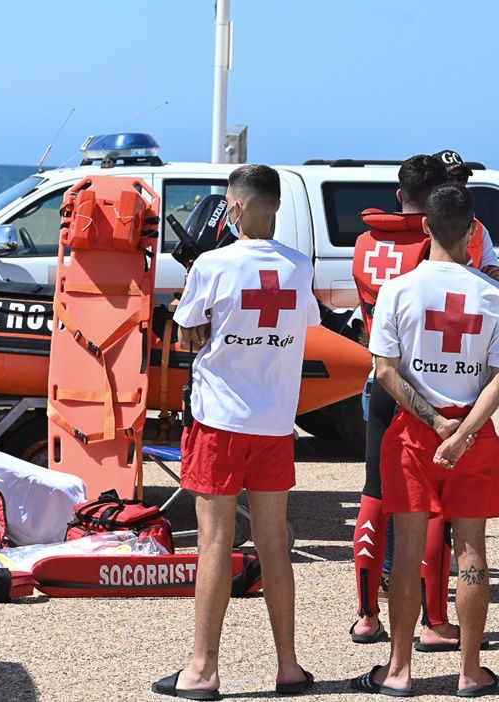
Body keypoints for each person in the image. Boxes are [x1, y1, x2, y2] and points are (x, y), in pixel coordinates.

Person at [154, 164, 317, 698]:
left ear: (238, 207)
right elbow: (300, 325)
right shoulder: (299, 268)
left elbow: (188, 333)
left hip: (221, 419)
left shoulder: (212, 264)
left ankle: (202, 669)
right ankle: (288, 666)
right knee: (274, 542)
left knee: (215, 543)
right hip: (274, 423)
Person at [351, 183, 499, 696]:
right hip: (473, 434)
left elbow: (385, 373)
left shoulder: (399, 290)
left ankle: (398, 670)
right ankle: (469, 672)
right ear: (473, 231)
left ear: (425, 227)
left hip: (414, 435)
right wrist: (463, 431)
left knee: (405, 554)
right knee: (471, 551)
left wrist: (434, 422)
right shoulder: (494, 295)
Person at [350, 156, 486, 652]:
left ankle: (366, 614)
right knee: (431, 509)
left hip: (381, 382)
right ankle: (434, 620)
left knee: (373, 495)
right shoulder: (430, 245)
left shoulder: (366, 242)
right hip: (427, 392)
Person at [433, 149, 499, 284]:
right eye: (448, 179)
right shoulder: (422, 224)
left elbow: (496, 278)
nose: (457, 185)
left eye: (462, 179)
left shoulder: (479, 229)